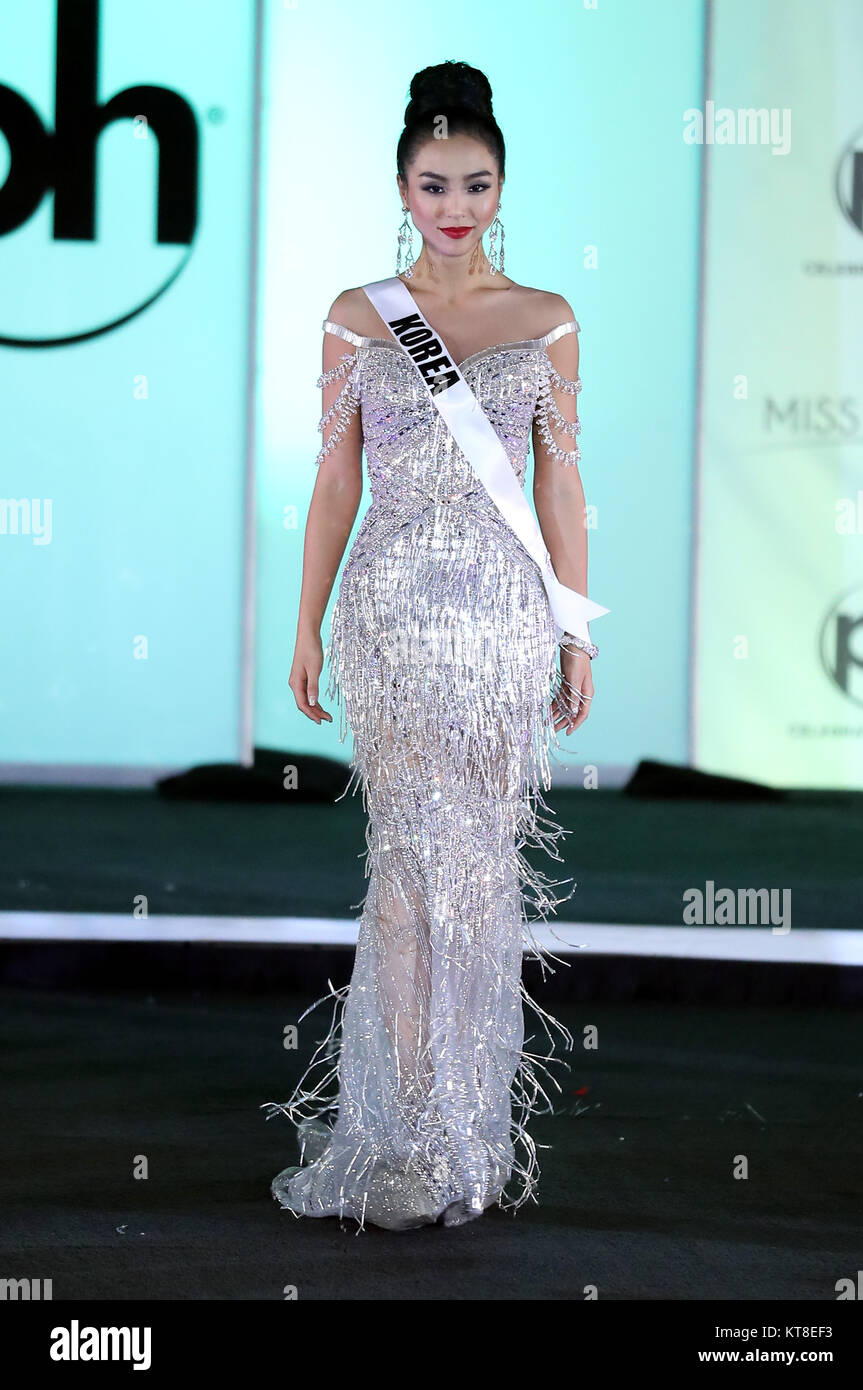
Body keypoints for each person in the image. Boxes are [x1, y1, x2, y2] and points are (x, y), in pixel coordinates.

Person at [261, 59, 604, 1232]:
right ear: (400, 188)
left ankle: (469, 1124)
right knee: (409, 873)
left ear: (501, 185)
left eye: (475, 183)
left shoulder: (544, 317)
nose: (454, 206)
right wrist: (302, 623)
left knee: (481, 869)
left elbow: (561, 486)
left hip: (503, 620)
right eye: (432, 183)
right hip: (393, 618)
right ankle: (401, 1127)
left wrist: (576, 633)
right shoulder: (359, 316)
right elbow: (334, 482)